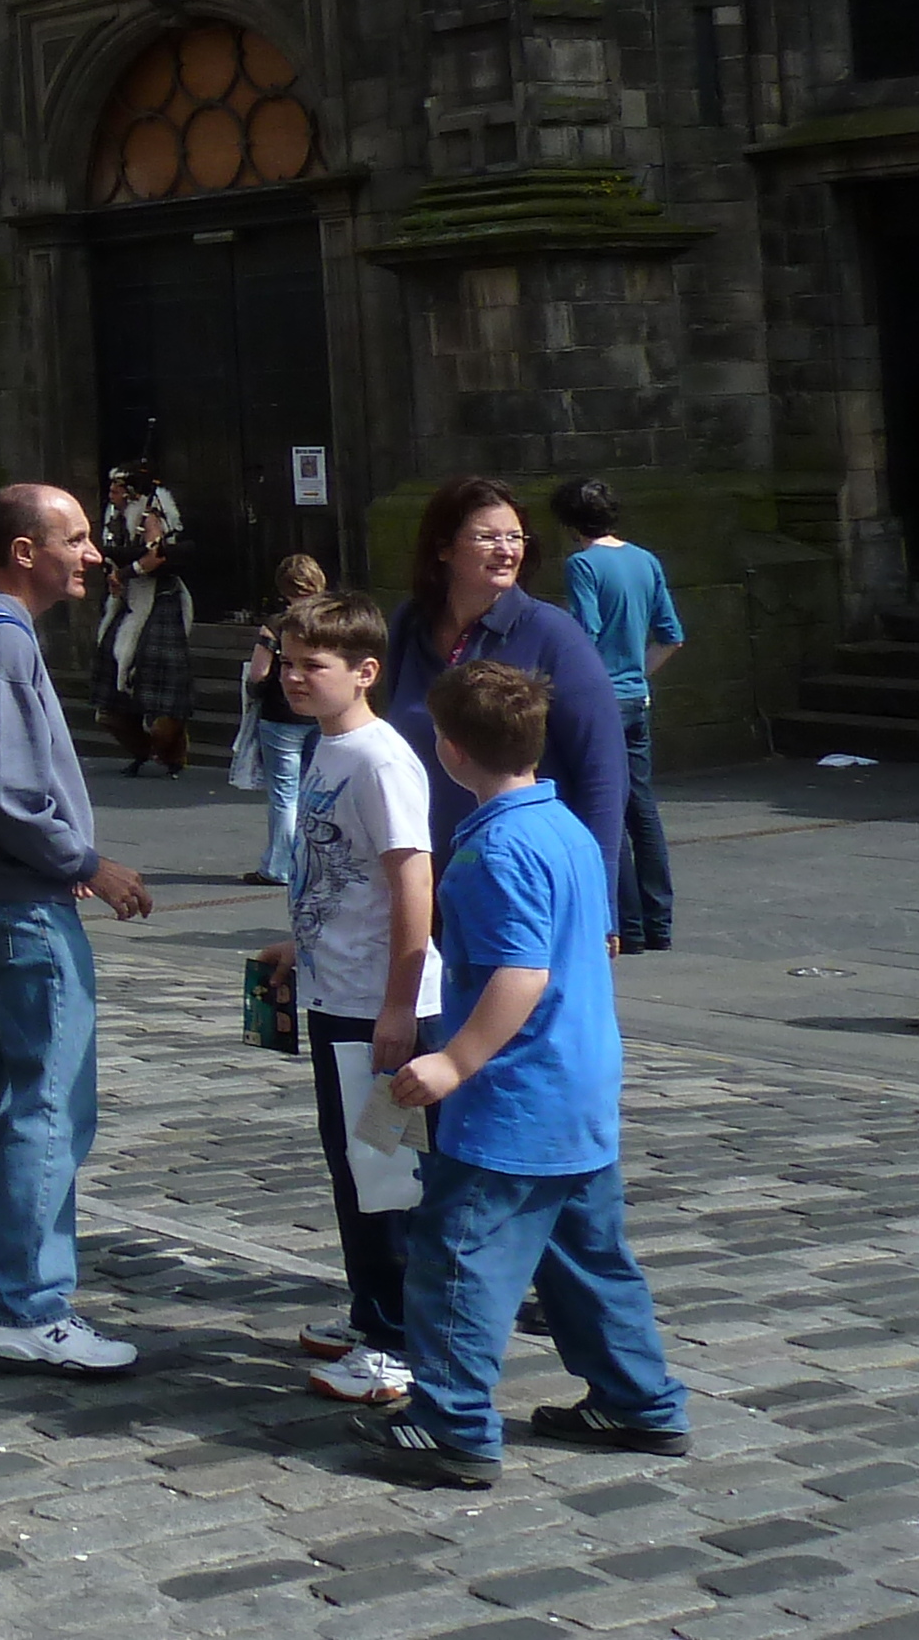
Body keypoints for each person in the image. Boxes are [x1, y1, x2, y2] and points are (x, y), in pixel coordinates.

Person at [356, 661, 689, 1488]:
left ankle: (453, 1424)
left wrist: (452, 1059)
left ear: (451, 750)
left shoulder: (496, 850)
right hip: (579, 1088)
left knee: (457, 1260)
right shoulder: (568, 829)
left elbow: (520, 972)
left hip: (512, 1099)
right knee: (588, 1257)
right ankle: (638, 1398)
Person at [0, 485, 156, 1374]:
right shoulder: (3, 638)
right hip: (20, 897)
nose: (96, 551)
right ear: (26, 550)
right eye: (78, 537)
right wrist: (86, 862)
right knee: (48, 1101)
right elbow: (5, 787)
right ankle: (29, 1304)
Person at [248, 589, 441, 1408]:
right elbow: (342, 872)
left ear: (364, 671)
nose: (292, 677)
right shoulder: (326, 746)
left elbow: (411, 882)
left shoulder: (379, 758)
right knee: (354, 1166)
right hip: (340, 990)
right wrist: (304, 943)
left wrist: (399, 1004)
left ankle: (401, 1337)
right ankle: (373, 1308)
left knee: (386, 1171)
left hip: (378, 1005)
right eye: (287, 662)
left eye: (310, 666)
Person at [381, 476, 627, 898]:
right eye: (487, 537)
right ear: (444, 549)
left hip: (518, 880)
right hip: (422, 877)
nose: (507, 549)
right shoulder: (411, 623)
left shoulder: (553, 634)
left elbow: (603, 772)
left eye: (515, 537)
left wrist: (596, 897)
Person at [554, 478, 683, 954]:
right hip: (636, 697)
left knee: (604, 809)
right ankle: (659, 922)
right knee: (642, 810)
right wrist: (639, 676)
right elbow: (671, 635)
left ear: (569, 522)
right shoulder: (645, 560)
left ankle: (626, 924)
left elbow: (585, 632)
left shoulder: (582, 565)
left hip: (600, 701)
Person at [236, 553, 333, 886]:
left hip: (281, 715)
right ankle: (314, 860)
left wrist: (254, 687)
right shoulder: (332, 623)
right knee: (314, 789)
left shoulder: (277, 625)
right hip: (320, 714)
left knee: (284, 793)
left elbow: (259, 672)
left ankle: (279, 865)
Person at [98, 464, 193, 776]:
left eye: (116, 488)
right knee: (113, 674)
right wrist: (112, 575)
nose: (111, 493)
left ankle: (172, 754)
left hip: (159, 603)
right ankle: (139, 748)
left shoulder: (150, 517)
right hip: (127, 603)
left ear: (131, 491)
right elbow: (112, 553)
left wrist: (123, 573)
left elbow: (156, 557)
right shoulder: (115, 517)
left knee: (159, 685)